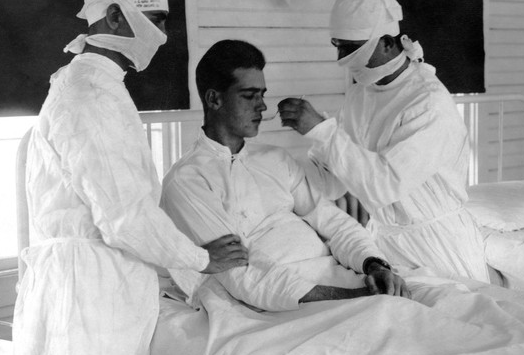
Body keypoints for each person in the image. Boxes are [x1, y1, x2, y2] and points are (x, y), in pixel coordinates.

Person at [0, 0, 247, 355]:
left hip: (95, 290)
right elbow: (125, 217)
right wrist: (199, 260)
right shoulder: (90, 93)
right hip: (90, 297)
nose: (162, 35)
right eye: (153, 20)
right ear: (114, 15)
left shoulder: (96, 88)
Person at [160, 39, 410, 311]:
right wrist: (354, 297)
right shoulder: (187, 180)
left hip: (337, 277)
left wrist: (375, 265)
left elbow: (334, 223)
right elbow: (243, 276)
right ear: (214, 99)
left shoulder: (275, 158)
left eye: (262, 95)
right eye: (249, 96)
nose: (262, 106)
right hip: (281, 303)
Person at [277, 0, 490, 284]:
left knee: (458, 311)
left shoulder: (427, 102)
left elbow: (384, 185)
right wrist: (278, 173)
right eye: (338, 46)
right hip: (385, 243)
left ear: (388, 43)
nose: (342, 58)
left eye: (351, 49)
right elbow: (334, 178)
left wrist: (323, 130)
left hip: (439, 245)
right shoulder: (359, 96)